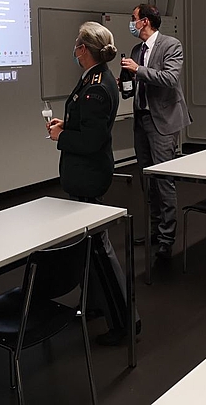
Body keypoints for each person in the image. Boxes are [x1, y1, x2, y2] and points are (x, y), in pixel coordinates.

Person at [48, 22, 139, 346]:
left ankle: (126, 321)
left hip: (88, 174)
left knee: (99, 249)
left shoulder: (97, 87)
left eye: (76, 43)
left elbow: (91, 140)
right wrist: (67, 124)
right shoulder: (94, 78)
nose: (74, 48)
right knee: (91, 247)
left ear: (84, 49)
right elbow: (87, 124)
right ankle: (97, 305)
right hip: (85, 172)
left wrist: (61, 136)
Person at [120, 4, 191, 259]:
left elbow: (170, 79)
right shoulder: (136, 50)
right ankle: (154, 230)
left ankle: (166, 238)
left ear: (146, 21)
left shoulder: (171, 45)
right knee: (146, 179)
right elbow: (136, 82)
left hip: (163, 121)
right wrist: (125, 83)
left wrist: (137, 70)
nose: (131, 23)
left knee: (163, 180)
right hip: (141, 119)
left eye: (134, 18)